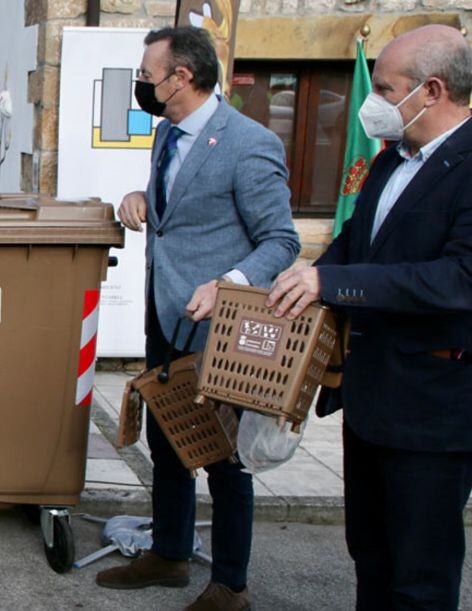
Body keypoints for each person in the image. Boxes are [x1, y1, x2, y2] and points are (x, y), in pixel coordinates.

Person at [268, 25, 472, 611]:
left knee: (420, 575)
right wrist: (299, 284)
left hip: (433, 410)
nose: (371, 102)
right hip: (371, 399)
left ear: (431, 90)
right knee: (371, 556)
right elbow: (356, 243)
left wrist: (331, 282)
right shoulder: (390, 162)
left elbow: (460, 279)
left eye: (384, 87)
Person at [96, 27, 300, 610]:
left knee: (224, 459)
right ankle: (169, 555)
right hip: (167, 318)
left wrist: (228, 284)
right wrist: (140, 199)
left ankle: (230, 586)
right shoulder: (166, 133)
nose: (141, 83)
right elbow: (180, 206)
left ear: (180, 78)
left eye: (145, 74)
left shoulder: (249, 143)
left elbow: (281, 242)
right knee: (166, 442)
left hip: (220, 330)